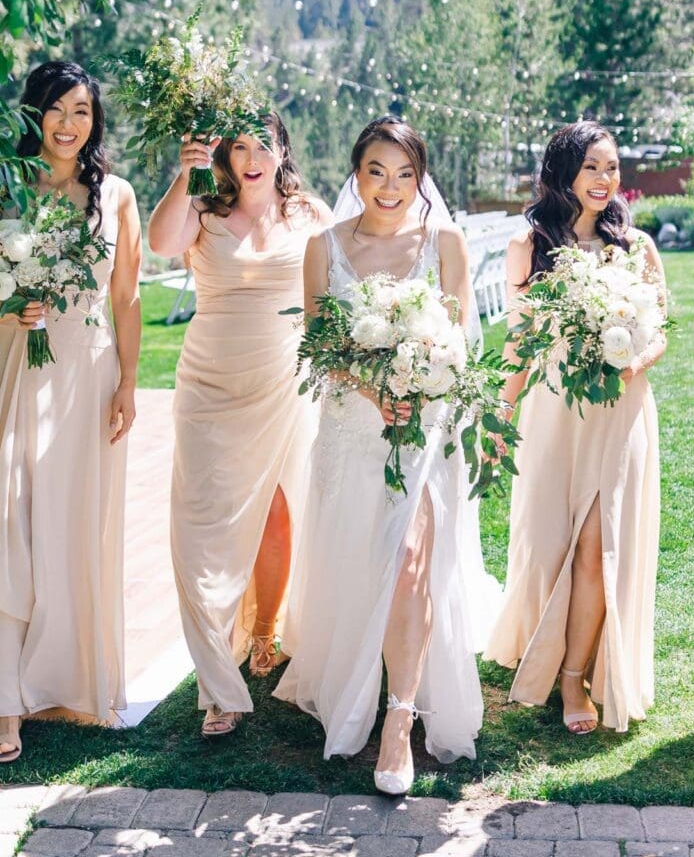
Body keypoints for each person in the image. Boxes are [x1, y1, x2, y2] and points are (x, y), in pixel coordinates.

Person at [274, 116, 498, 794]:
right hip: (352, 428)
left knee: (409, 562)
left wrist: (420, 375)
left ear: (421, 178)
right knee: (358, 559)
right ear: (356, 174)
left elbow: (459, 343)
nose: (390, 187)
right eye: (376, 172)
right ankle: (358, 677)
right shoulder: (325, 246)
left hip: (425, 428)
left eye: (405, 174)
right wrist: (373, 386)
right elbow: (318, 345)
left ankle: (399, 719)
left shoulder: (446, 242)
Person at [148, 113, 332, 738]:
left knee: (279, 511)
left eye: (263, 145)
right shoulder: (200, 208)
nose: (251, 158)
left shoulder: (310, 213)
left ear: (283, 149)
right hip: (208, 384)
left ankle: (262, 634)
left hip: (285, 382)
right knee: (202, 525)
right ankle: (216, 682)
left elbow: (338, 284)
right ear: (223, 155)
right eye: (239, 147)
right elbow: (160, 244)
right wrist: (184, 173)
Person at [483, 121, 666, 735]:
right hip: (554, 413)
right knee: (547, 544)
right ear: (562, 171)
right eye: (592, 166)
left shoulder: (635, 246)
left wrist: (631, 363)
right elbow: (520, 344)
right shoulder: (527, 246)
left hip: (620, 413)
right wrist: (502, 416)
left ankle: (572, 678)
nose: (605, 178)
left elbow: (659, 329)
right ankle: (540, 641)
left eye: (612, 167)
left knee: (596, 545)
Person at [0, 61, 142, 763]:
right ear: (35, 114)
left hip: (86, 375)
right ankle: (4, 701)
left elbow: (127, 298)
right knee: (10, 518)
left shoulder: (115, 195)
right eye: (57, 108)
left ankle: (68, 682)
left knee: (74, 526)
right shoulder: (6, 185)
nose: (68, 123)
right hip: (15, 364)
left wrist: (127, 385)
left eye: (82, 110)